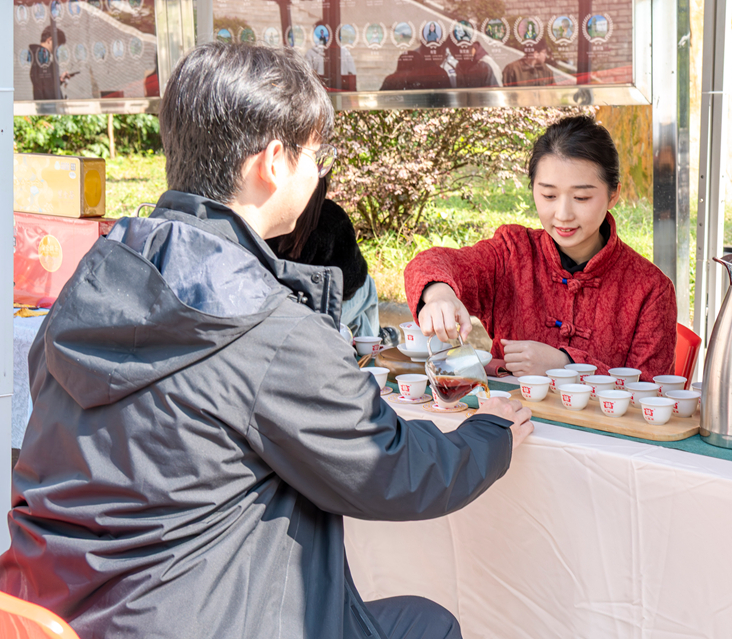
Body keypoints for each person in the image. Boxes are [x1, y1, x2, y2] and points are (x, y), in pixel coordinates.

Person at [0, 43, 533, 639]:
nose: (318, 173)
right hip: (189, 622)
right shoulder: (265, 325)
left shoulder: (94, 279)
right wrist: (490, 433)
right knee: (427, 626)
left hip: (47, 612)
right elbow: (391, 470)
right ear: (274, 162)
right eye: (316, 155)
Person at [405, 115, 677, 380]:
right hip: (506, 410)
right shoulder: (512, 253)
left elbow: (653, 391)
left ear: (613, 194)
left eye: (581, 197)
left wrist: (568, 365)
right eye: (549, 195)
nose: (563, 214)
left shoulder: (650, 289)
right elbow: (431, 262)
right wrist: (439, 294)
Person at [267, 173, 380, 339]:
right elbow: (352, 281)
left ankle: (370, 338)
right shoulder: (330, 216)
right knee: (368, 285)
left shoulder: (267, 214)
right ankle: (375, 343)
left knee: (360, 320)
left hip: (274, 314)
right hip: (314, 320)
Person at [29, 27, 69, 100]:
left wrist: (59, 80)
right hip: (49, 106)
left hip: (46, 105)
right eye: (57, 44)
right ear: (49, 40)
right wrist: (58, 104)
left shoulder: (38, 55)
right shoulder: (42, 55)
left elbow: (45, 83)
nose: (57, 48)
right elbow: (47, 90)